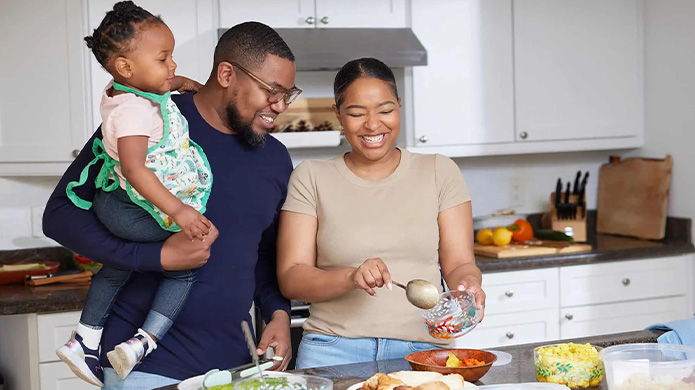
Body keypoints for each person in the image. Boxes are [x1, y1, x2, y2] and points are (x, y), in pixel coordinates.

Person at [43, 20, 301, 389]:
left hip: (234, 365)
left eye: (287, 94)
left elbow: (262, 254)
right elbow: (59, 216)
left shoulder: (274, 159)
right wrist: (156, 257)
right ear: (227, 74)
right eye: (271, 91)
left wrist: (278, 314)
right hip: (142, 368)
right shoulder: (149, 119)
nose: (280, 106)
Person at [276, 57, 486, 369]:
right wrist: (350, 277)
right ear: (338, 115)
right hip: (332, 350)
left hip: (423, 350)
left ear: (399, 106)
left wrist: (468, 286)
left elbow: (459, 263)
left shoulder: (440, 171)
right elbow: (292, 277)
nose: (373, 125)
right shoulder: (311, 177)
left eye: (385, 110)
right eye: (356, 113)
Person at [56, 2, 214, 384]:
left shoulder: (129, 90)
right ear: (126, 68)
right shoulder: (131, 114)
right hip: (127, 207)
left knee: (118, 267)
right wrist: (181, 213)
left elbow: (156, 87)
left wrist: (181, 84)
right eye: (164, 59)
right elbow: (134, 169)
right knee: (190, 259)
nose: (172, 65)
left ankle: (86, 337)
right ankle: (144, 341)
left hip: (119, 205)